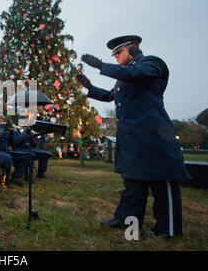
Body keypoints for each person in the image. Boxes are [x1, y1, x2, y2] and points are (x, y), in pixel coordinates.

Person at [77, 35, 191, 239]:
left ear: (134, 50)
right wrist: (89, 88)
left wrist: (101, 65)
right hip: (133, 137)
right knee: (133, 183)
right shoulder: (126, 76)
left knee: (162, 183)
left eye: (118, 52)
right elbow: (111, 96)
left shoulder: (151, 63)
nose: (115, 57)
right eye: (113, 55)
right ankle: (127, 220)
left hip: (154, 135)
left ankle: (168, 230)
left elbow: (137, 74)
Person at [0, 114, 28, 187]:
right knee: (7, 158)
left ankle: (16, 177)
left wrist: (11, 133)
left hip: (6, 150)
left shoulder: (3, 127)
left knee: (25, 156)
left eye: (3, 118)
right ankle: (4, 180)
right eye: (0, 118)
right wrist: (3, 130)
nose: (2, 119)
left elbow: (12, 142)